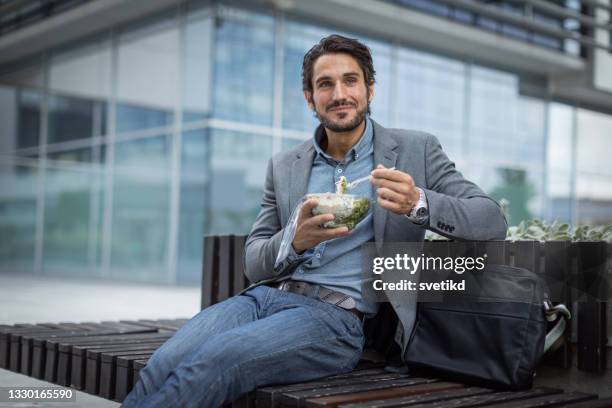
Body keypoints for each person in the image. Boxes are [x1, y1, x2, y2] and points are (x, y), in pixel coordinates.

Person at [122, 34, 507, 408]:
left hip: (335, 320)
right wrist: (294, 241)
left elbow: (491, 220)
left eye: (350, 81)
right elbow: (254, 260)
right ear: (310, 98)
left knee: (216, 361)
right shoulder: (285, 166)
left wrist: (418, 202)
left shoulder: (414, 150)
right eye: (325, 84)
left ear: (370, 89)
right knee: (166, 361)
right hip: (263, 300)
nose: (339, 94)